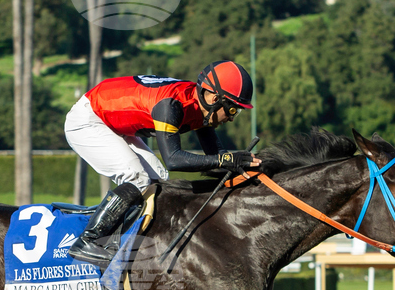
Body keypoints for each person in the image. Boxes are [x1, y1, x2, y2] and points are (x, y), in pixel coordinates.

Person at [64, 60, 261, 267]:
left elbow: (217, 157)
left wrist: (243, 169)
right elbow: (173, 160)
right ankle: (88, 241)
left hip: (111, 120)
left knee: (158, 178)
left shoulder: (201, 105)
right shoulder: (172, 106)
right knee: (136, 176)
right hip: (88, 119)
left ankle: (128, 238)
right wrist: (226, 159)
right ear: (213, 97)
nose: (231, 119)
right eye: (232, 110)